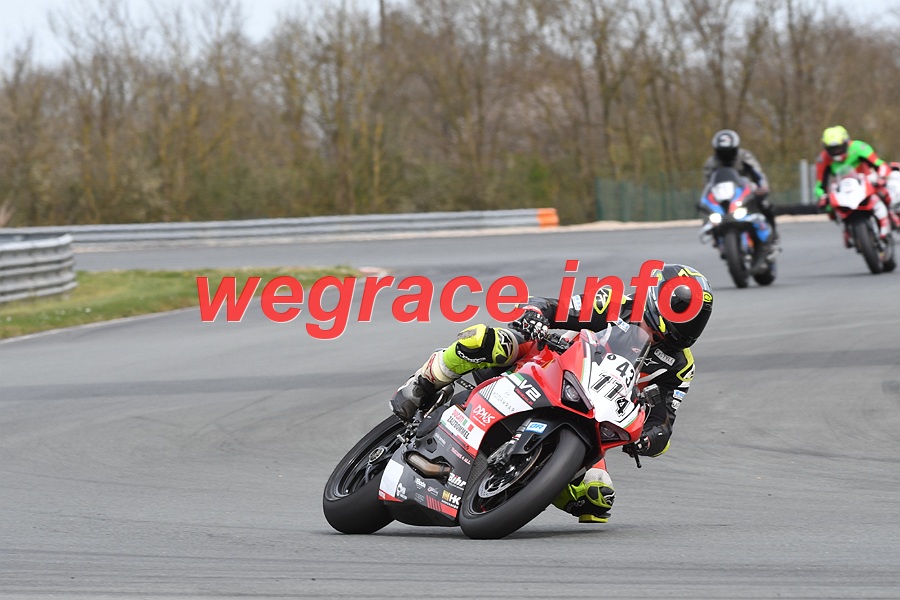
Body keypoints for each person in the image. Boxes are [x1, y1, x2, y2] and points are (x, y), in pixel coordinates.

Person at [390, 264, 714, 524]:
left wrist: (648, 440)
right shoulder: (613, 304)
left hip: (590, 416)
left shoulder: (680, 366)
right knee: (489, 341)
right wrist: (535, 315)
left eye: (695, 320)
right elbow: (553, 305)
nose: (686, 327)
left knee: (597, 498)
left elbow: (664, 422)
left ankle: (525, 483)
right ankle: (424, 383)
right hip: (547, 363)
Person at [815, 125, 900, 238]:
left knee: (887, 189)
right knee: (829, 208)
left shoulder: (859, 147)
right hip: (843, 188)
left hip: (867, 180)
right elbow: (820, 184)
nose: (836, 151)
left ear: (846, 142)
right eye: (832, 149)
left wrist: (882, 176)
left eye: (839, 147)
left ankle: (892, 213)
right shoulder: (823, 159)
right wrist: (822, 197)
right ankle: (847, 228)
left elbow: (879, 164)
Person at [703, 129, 778, 242]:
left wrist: (762, 187)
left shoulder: (745, 156)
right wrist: (706, 199)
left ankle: (773, 233)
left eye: (729, 151)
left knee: (765, 205)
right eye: (722, 152)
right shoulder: (711, 163)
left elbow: (758, 173)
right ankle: (715, 237)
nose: (726, 155)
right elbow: (707, 184)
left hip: (744, 190)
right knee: (710, 214)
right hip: (722, 195)